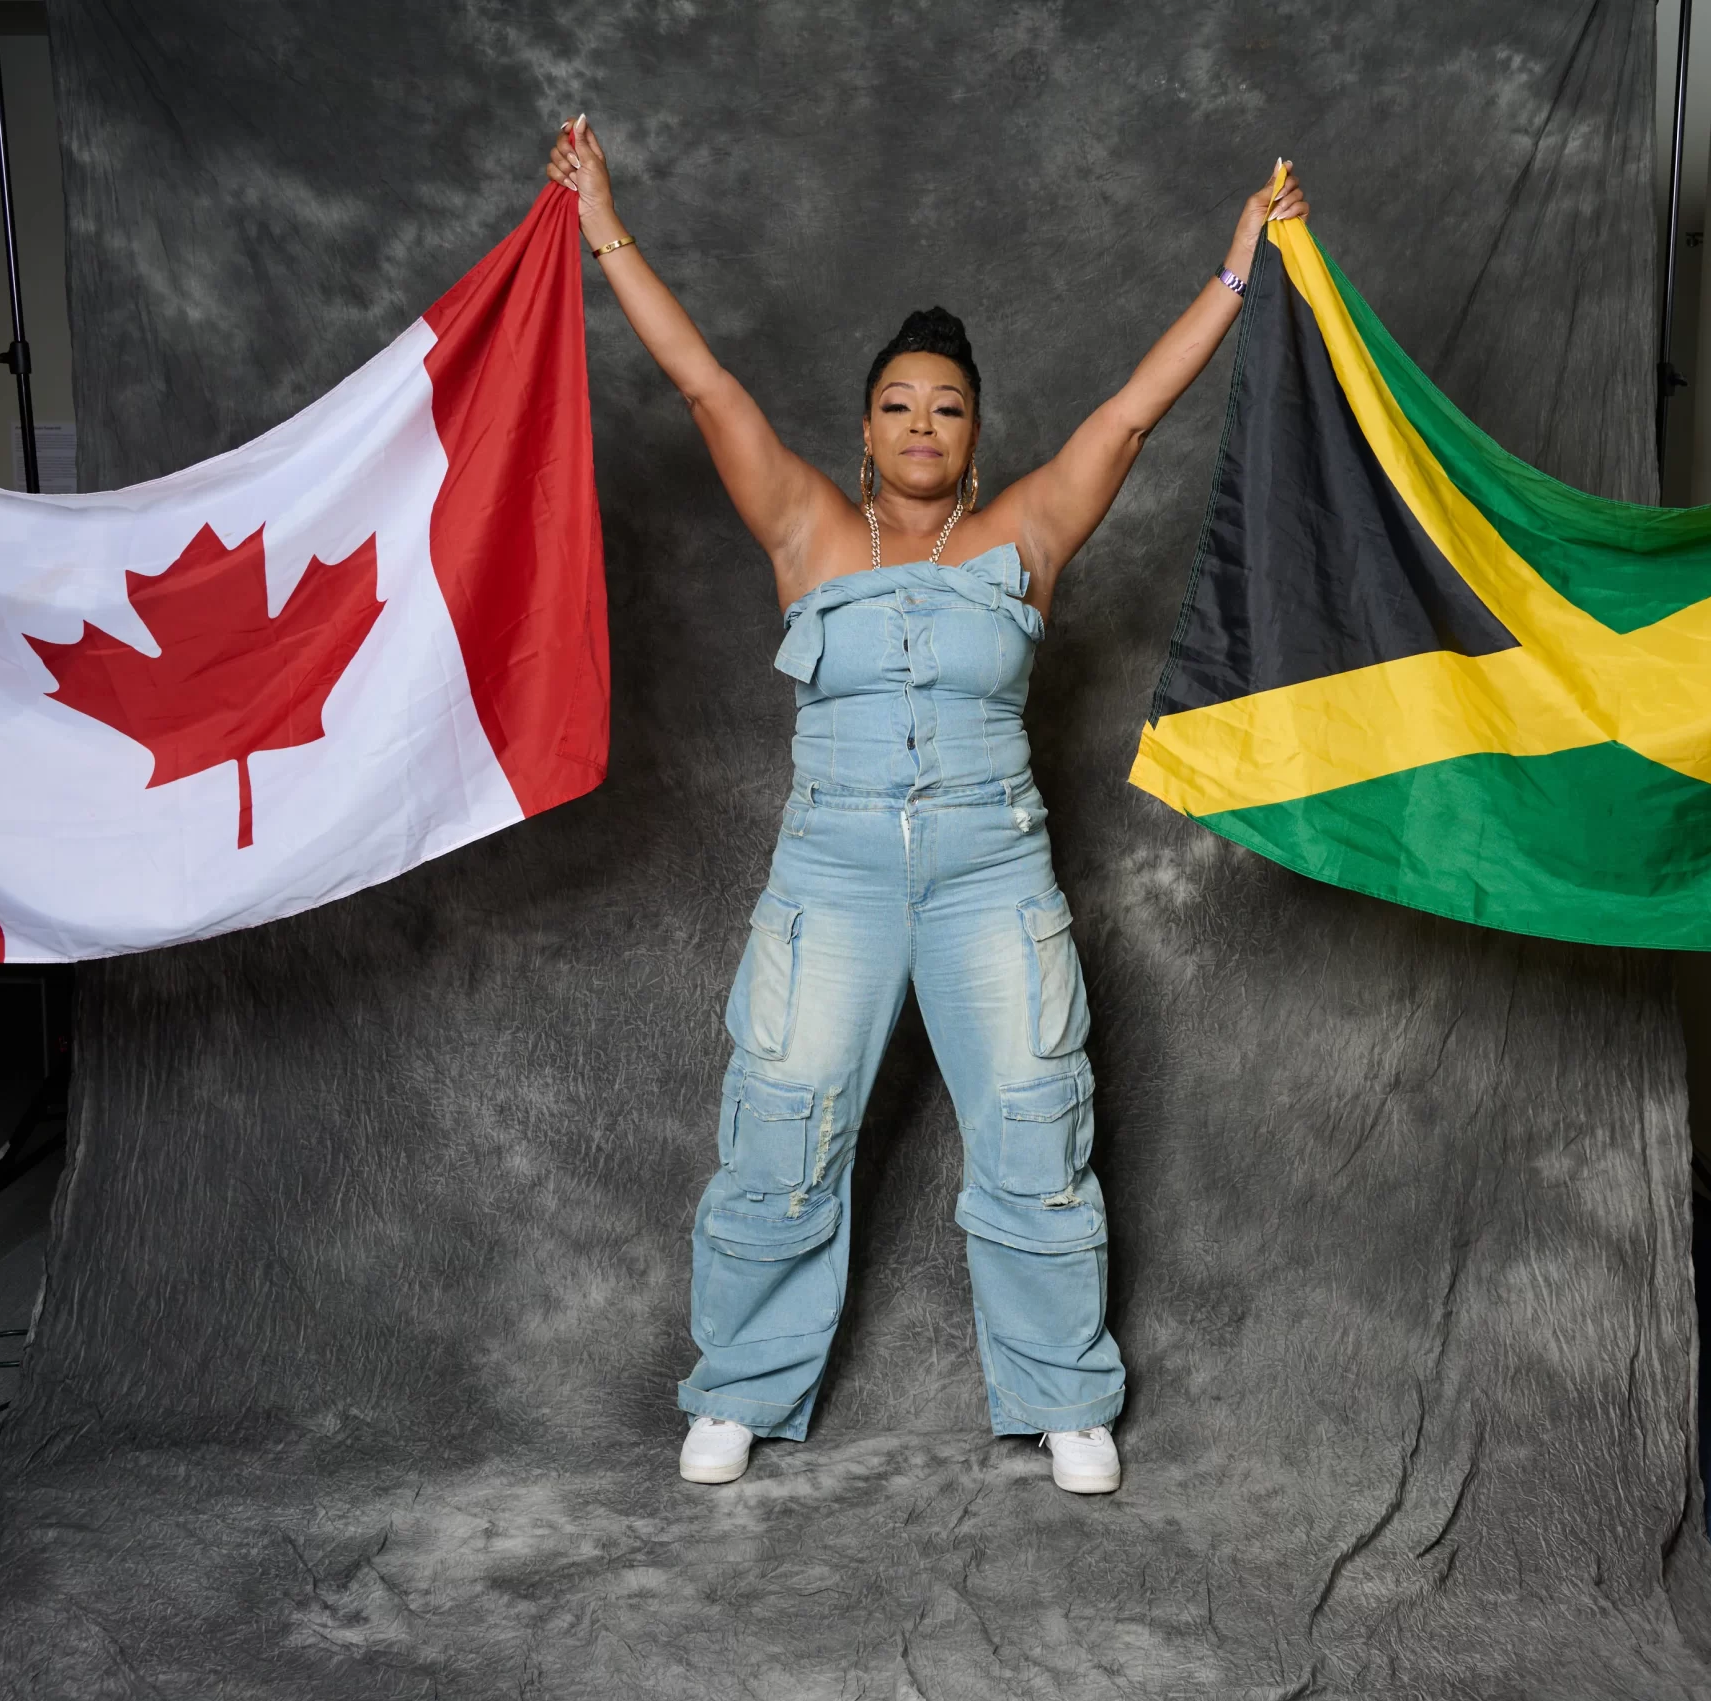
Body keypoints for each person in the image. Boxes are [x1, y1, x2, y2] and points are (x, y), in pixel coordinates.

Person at [543, 117, 1306, 1493]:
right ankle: (739, 1388)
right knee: (784, 1110)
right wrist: (604, 225)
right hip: (830, 876)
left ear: (975, 430)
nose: (921, 424)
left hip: (988, 878)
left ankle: (1068, 1392)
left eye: (947, 405)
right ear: (863, 426)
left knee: (1032, 1112)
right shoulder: (805, 529)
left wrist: (1237, 268)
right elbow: (706, 384)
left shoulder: (1026, 531)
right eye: (898, 402)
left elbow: (1133, 411)